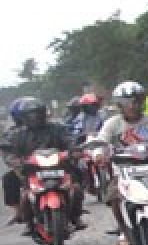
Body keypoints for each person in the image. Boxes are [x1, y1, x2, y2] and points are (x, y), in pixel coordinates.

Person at [2, 97, 87, 231]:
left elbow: (70, 141)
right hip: (30, 169)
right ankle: (23, 216)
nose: (34, 117)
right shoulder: (17, 134)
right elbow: (8, 150)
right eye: (30, 114)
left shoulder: (58, 128)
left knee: (76, 187)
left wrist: (74, 151)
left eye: (37, 113)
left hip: (59, 166)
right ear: (23, 117)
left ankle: (76, 215)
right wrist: (16, 161)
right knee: (14, 184)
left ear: (43, 113)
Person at [97, 80, 148, 244]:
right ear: (119, 105)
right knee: (115, 196)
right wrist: (99, 153)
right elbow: (101, 141)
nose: (132, 106)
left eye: (136, 101)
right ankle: (123, 228)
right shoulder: (112, 124)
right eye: (127, 102)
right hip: (124, 171)